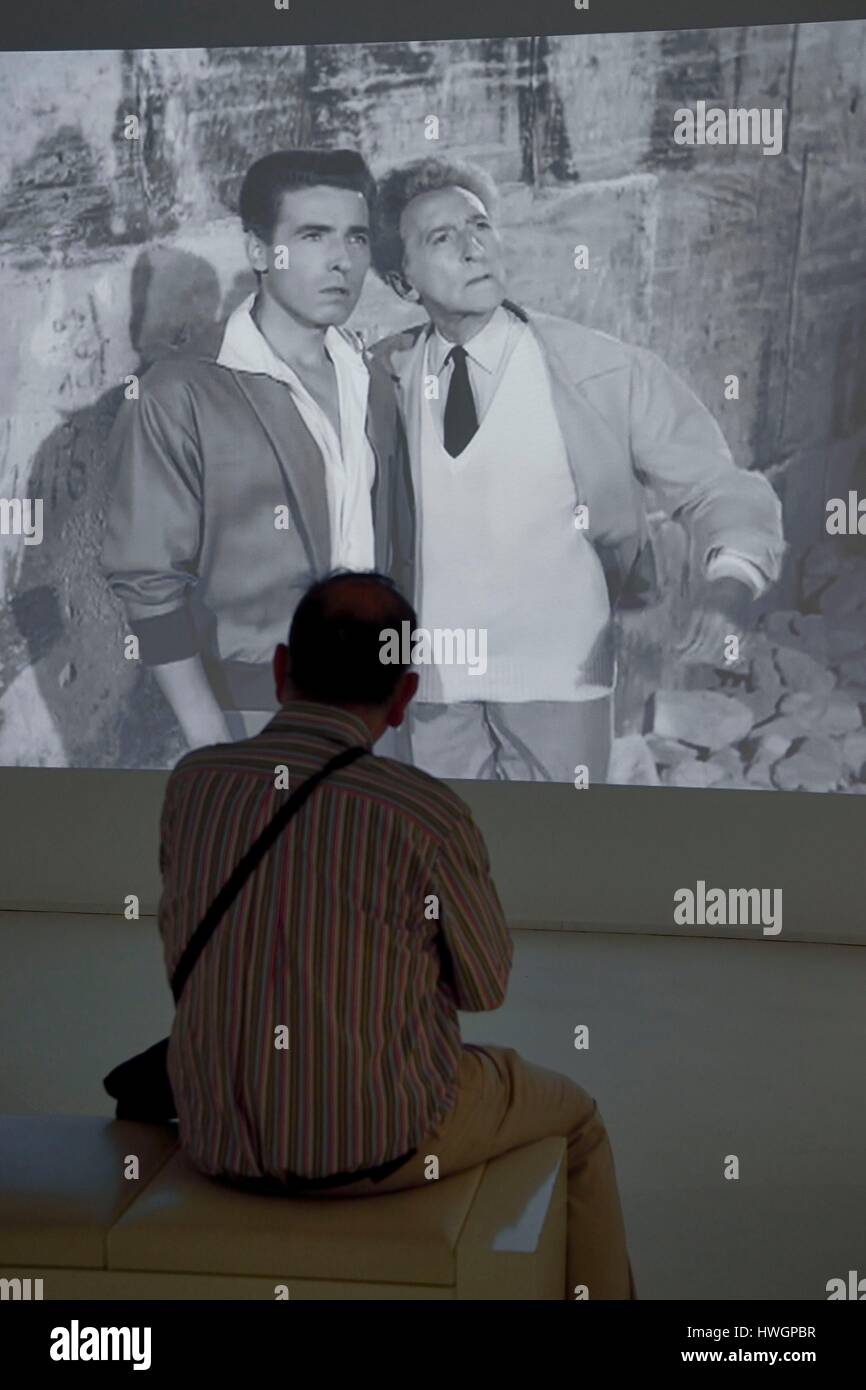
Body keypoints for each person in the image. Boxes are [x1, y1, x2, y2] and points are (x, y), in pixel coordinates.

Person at [157, 569, 637, 1299]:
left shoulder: (193, 784)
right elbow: (485, 988)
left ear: (284, 670)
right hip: (378, 1148)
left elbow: (182, 955)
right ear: (406, 695)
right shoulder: (424, 813)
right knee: (576, 1119)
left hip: (214, 1141)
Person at [367, 155, 787, 782]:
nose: (473, 247)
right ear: (404, 281)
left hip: (561, 681)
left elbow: (716, 487)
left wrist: (725, 591)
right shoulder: (382, 376)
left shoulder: (602, 371)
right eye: (442, 238)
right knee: (449, 857)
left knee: (547, 858)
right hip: (433, 690)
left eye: (480, 226)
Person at [100, 148, 412, 749]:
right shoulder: (181, 391)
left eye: (356, 238)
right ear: (259, 250)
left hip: (377, 708)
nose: (340, 260)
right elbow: (147, 580)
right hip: (252, 710)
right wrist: (209, 738)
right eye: (314, 235)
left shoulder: (371, 378)